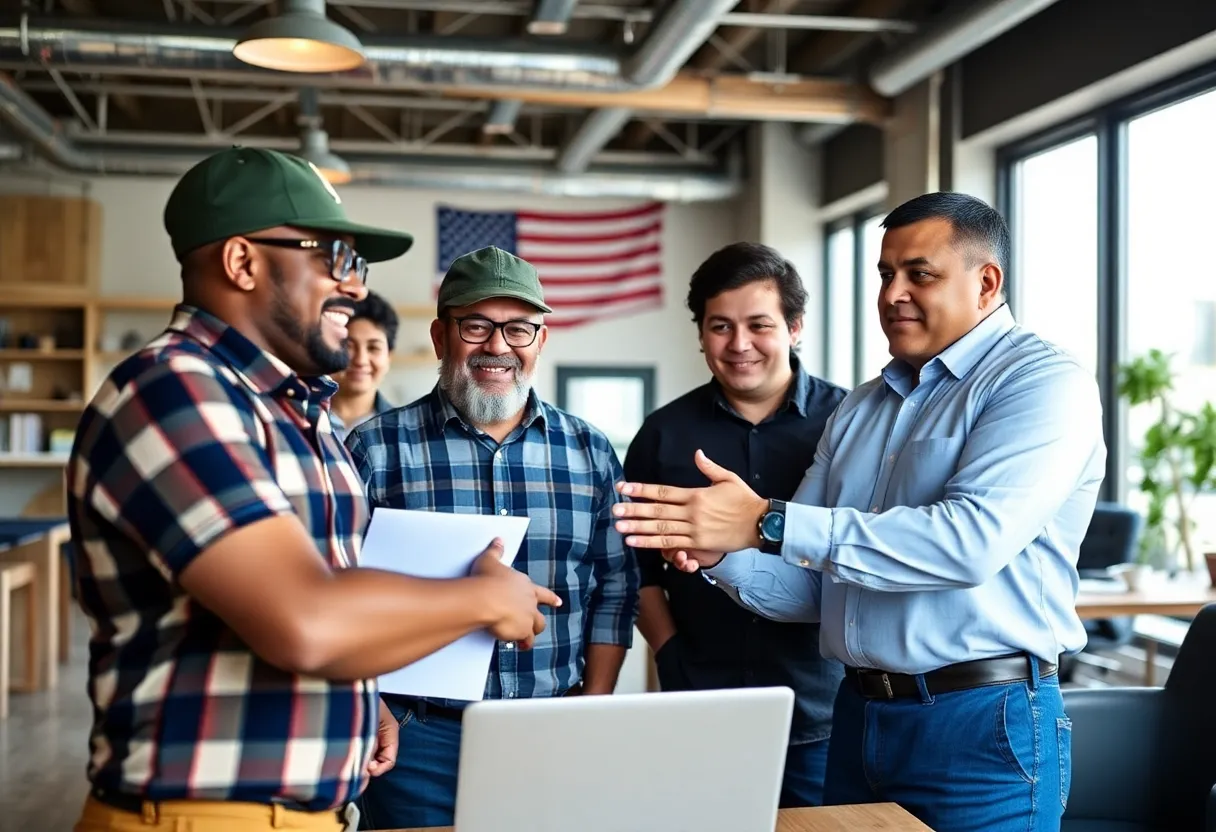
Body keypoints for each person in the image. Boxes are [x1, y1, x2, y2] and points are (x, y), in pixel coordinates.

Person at [66, 148, 559, 832]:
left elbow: (347, 618)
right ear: (243, 263)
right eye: (334, 259)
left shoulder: (301, 417)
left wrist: (364, 709)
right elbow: (306, 621)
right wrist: (483, 598)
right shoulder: (172, 390)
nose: (354, 289)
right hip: (203, 816)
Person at [610, 192, 1105, 832]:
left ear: (986, 283)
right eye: (884, 274)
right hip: (860, 714)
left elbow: (968, 543)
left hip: (982, 720)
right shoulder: (865, 405)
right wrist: (722, 555)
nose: (892, 293)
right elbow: (813, 584)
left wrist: (766, 520)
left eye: (918, 274)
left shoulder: (1041, 382)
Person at [346, 245, 640, 830]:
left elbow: (615, 588)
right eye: (476, 325)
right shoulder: (375, 449)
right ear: (440, 336)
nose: (498, 346)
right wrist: (371, 700)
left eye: (518, 329)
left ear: (540, 341)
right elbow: (341, 592)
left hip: (554, 730)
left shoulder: (590, 452)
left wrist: (594, 704)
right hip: (415, 737)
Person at [623, 242, 846, 808]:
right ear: (700, 335)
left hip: (823, 708)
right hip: (699, 702)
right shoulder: (663, 433)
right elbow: (636, 570)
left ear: (795, 328)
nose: (739, 344)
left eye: (759, 324)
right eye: (720, 326)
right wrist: (669, 652)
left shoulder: (847, 424)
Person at [331, 290, 398, 441]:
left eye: (373, 348)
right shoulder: (303, 419)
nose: (360, 360)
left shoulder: (402, 429)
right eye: (347, 346)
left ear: (389, 357)